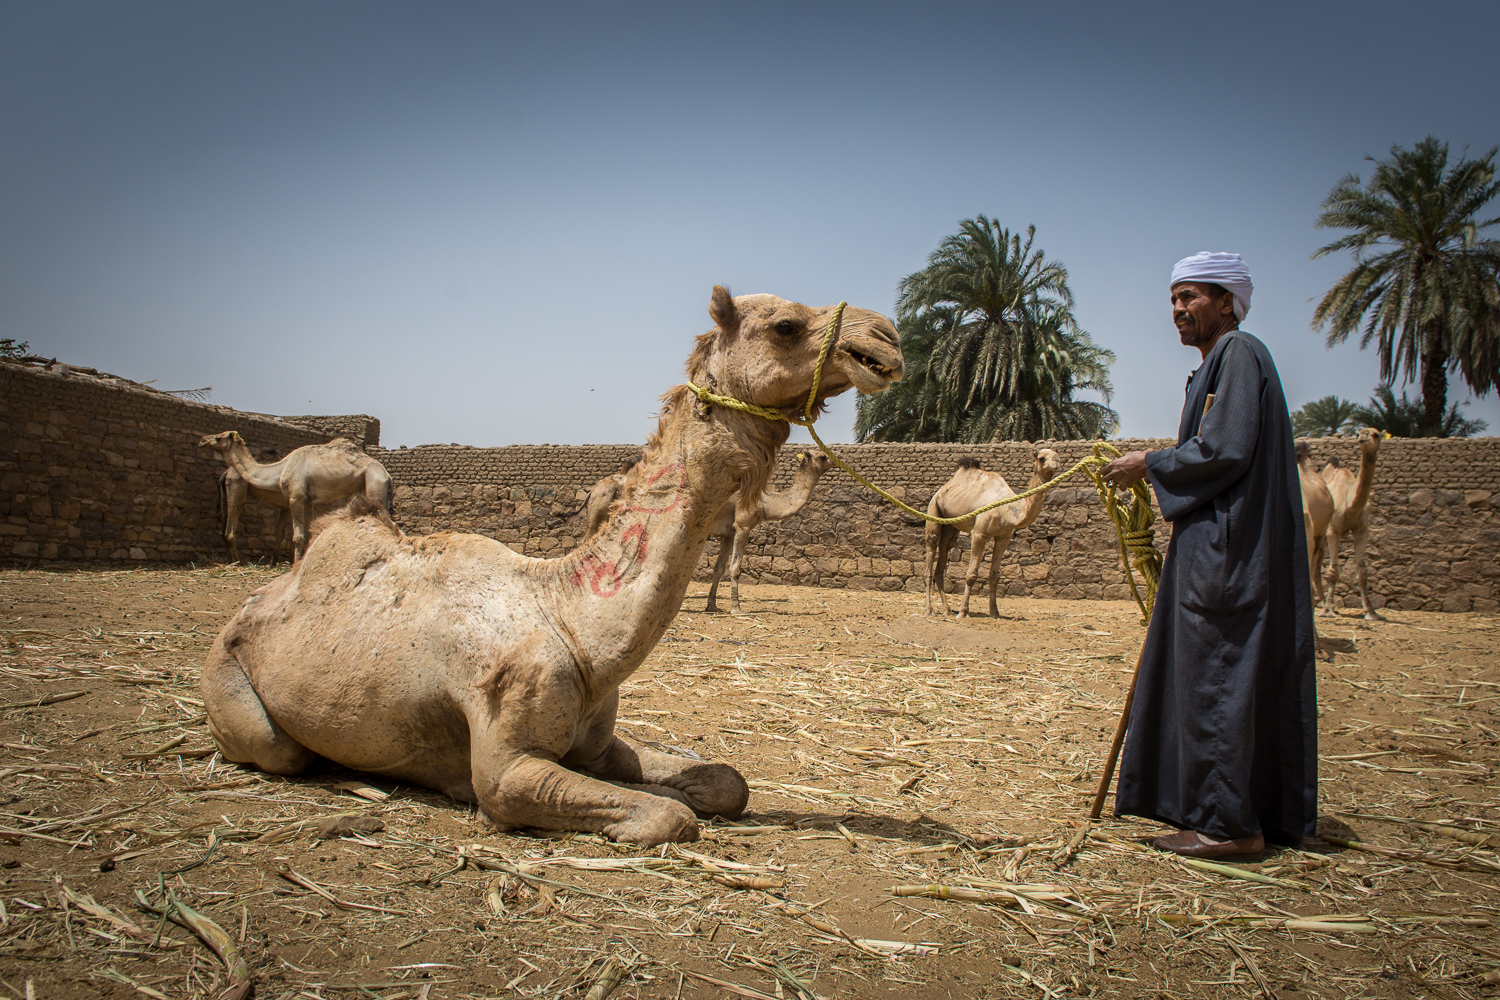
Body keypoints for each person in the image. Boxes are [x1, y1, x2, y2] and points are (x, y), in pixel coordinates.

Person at [1100, 252, 1317, 858]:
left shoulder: (1238, 353)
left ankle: (1228, 827)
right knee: (1220, 677)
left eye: (1190, 296)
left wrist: (1149, 463)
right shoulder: (1216, 365)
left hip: (1226, 556)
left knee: (1217, 679)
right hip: (1222, 548)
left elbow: (1224, 449)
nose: (1178, 308)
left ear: (1227, 302)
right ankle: (1234, 812)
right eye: (1173, 298)